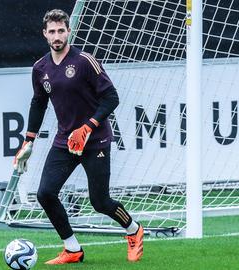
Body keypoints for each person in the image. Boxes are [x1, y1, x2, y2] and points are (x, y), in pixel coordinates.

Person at [13, 9, 143, 265]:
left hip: (95, 141)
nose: (57, 35)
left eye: (61, 30)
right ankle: (72, 249)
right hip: (65, 141)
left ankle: (134, 230)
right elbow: (38, 103)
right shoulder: (40, 68)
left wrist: (88, 126)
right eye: (52, 31)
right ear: (45, 34)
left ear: (69, 31)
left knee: (100, 201)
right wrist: (28, 140)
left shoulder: (85, 61)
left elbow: (111, 97)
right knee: (46, 193)